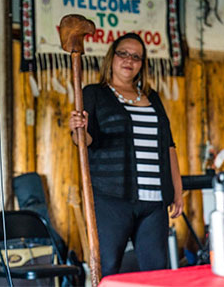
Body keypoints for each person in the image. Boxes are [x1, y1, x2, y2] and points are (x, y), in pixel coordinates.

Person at [69, 33, 183, 277]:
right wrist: (78, 129)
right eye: (123, 53)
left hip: (154, 202)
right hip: (111, 199)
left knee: (157, 273)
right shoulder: (94, 93)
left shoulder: (152, 98)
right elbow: (85, 141)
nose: (129, 60)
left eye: (136, 56)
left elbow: (168, 146)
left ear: (142, 64)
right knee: (108, 269)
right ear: (112, 57)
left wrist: (177, 189)